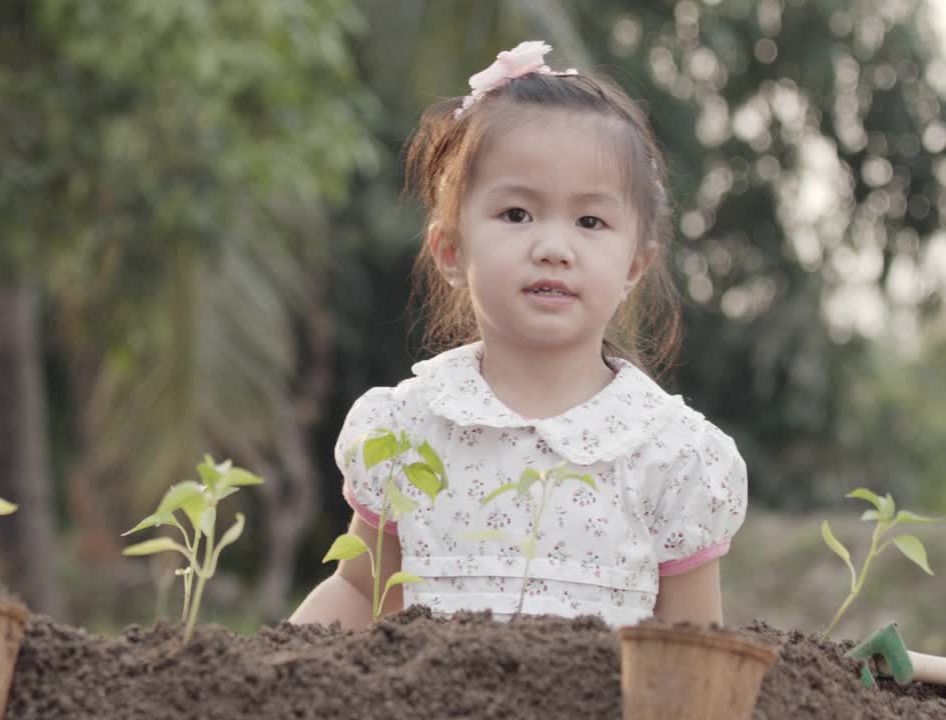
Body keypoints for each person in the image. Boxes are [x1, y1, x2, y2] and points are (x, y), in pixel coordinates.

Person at [290, 41, 747, 629]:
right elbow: (358, 591)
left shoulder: (670, 456)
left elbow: (692, 647)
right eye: (517, 215)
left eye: (590, 221)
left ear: (634, 264)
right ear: (451, 251)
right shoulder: (409, 430)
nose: (553, 248)